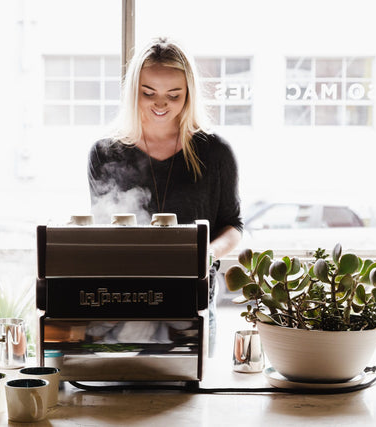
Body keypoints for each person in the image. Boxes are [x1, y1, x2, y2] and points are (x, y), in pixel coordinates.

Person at [87, 37, 243, 356]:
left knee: (192, 400)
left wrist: (206, 254)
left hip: (193, 305)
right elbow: (105, 232)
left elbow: (234, 225)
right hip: (124, 305)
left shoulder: (215, 152)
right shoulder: (105, 153)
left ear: (188, 95)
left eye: (174, 95)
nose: (161, 104)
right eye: (149, 93)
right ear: (134, 92)